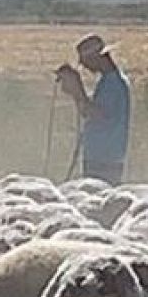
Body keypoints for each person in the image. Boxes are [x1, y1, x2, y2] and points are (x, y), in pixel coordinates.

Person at [56, 33, 131, 185]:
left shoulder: (114, 84)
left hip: (105, 158)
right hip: (100, 155)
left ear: (97, 58)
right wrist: (75, 91)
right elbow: (88, 111)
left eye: (85, 61)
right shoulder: (107, 82)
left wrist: (77, 89)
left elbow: (97, 114)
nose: (85, 67)